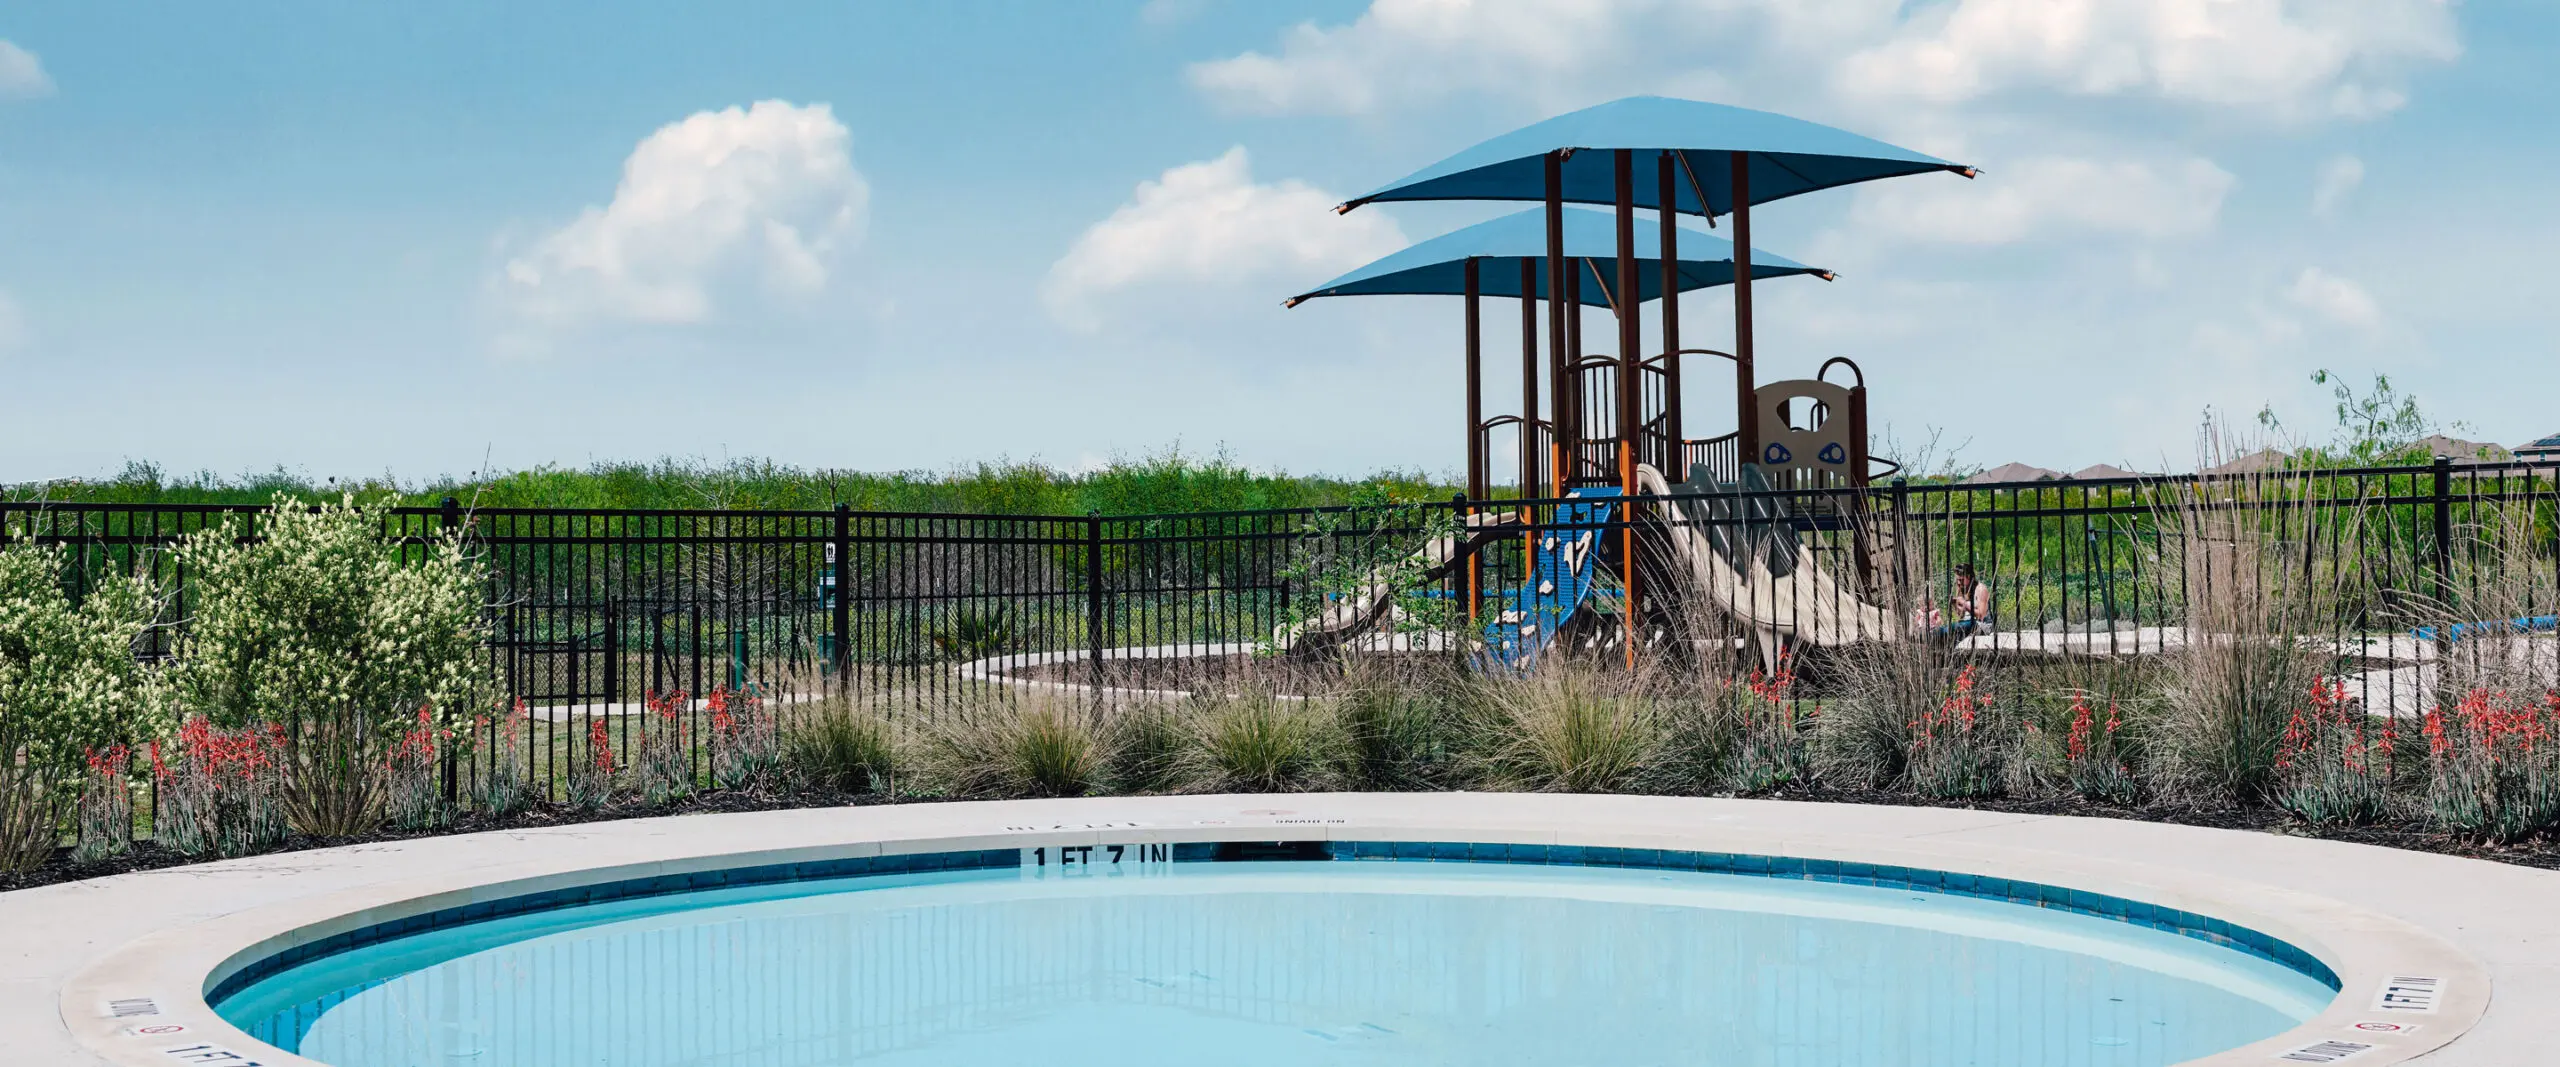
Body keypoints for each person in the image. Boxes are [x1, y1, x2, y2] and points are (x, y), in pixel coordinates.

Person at [1930, 563, 1993, 644]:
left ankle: (1929, 635)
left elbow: (1981, 615)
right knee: (1946, 630)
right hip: (1965, 623)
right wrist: (1955, 604)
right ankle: (1928, 636)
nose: (1959, 583)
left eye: (1961, 580)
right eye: (1957, 580)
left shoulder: (1980, 589)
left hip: (1982, 626)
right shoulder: (1961, 588)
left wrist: (1964, 604)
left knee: (1950, 629)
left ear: (1969, 577)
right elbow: (1961, 615)